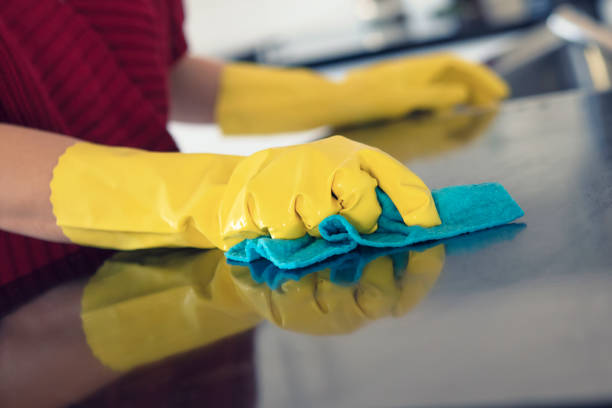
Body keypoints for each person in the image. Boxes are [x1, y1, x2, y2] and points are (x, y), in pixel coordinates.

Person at [0, 0, 507, 286]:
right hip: (31, 313)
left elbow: (159, 71)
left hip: (163, 273)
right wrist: (221, 192)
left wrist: (348, 96)